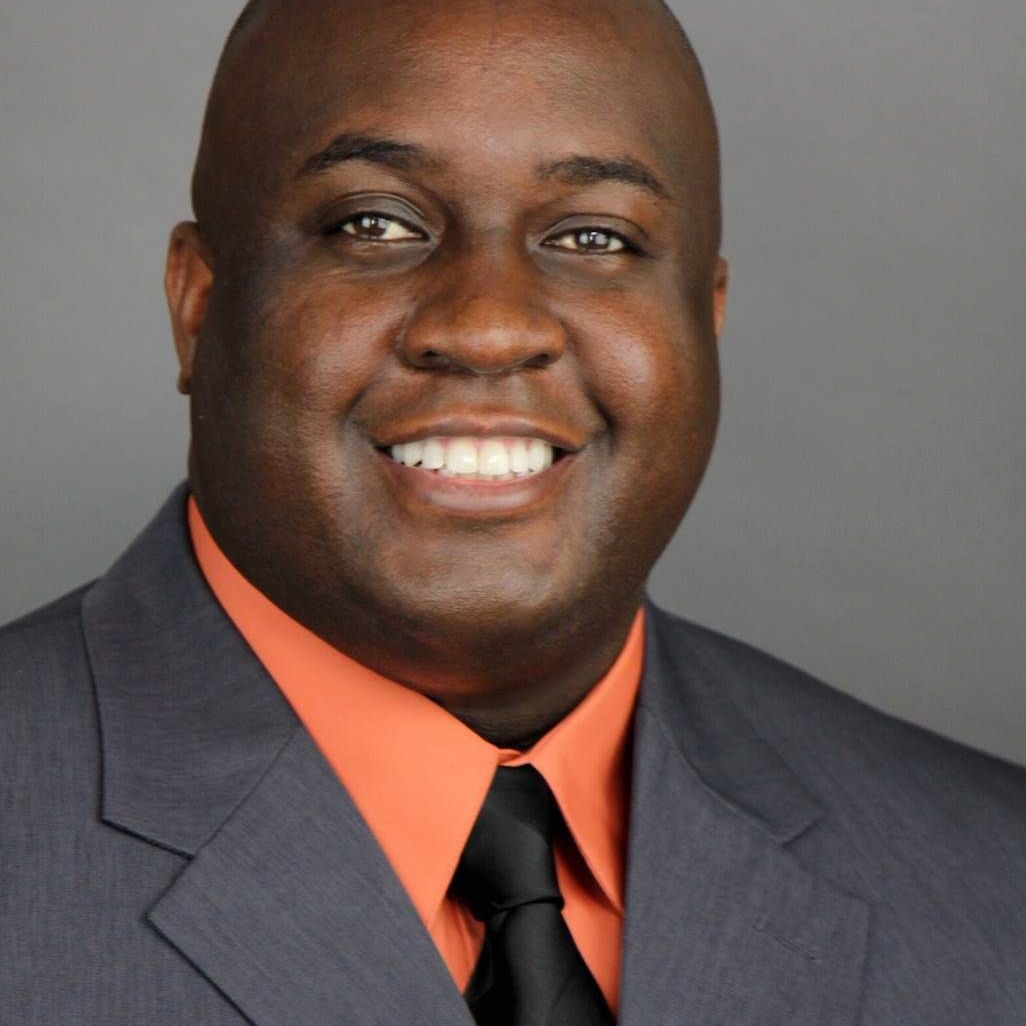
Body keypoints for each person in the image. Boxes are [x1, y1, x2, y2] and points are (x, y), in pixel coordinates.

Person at [2, 0, 1024, 1022]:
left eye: (595, 237)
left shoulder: (991, 877)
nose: (489, 328)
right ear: (197, 304)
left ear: (705, 322)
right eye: (374, 224)